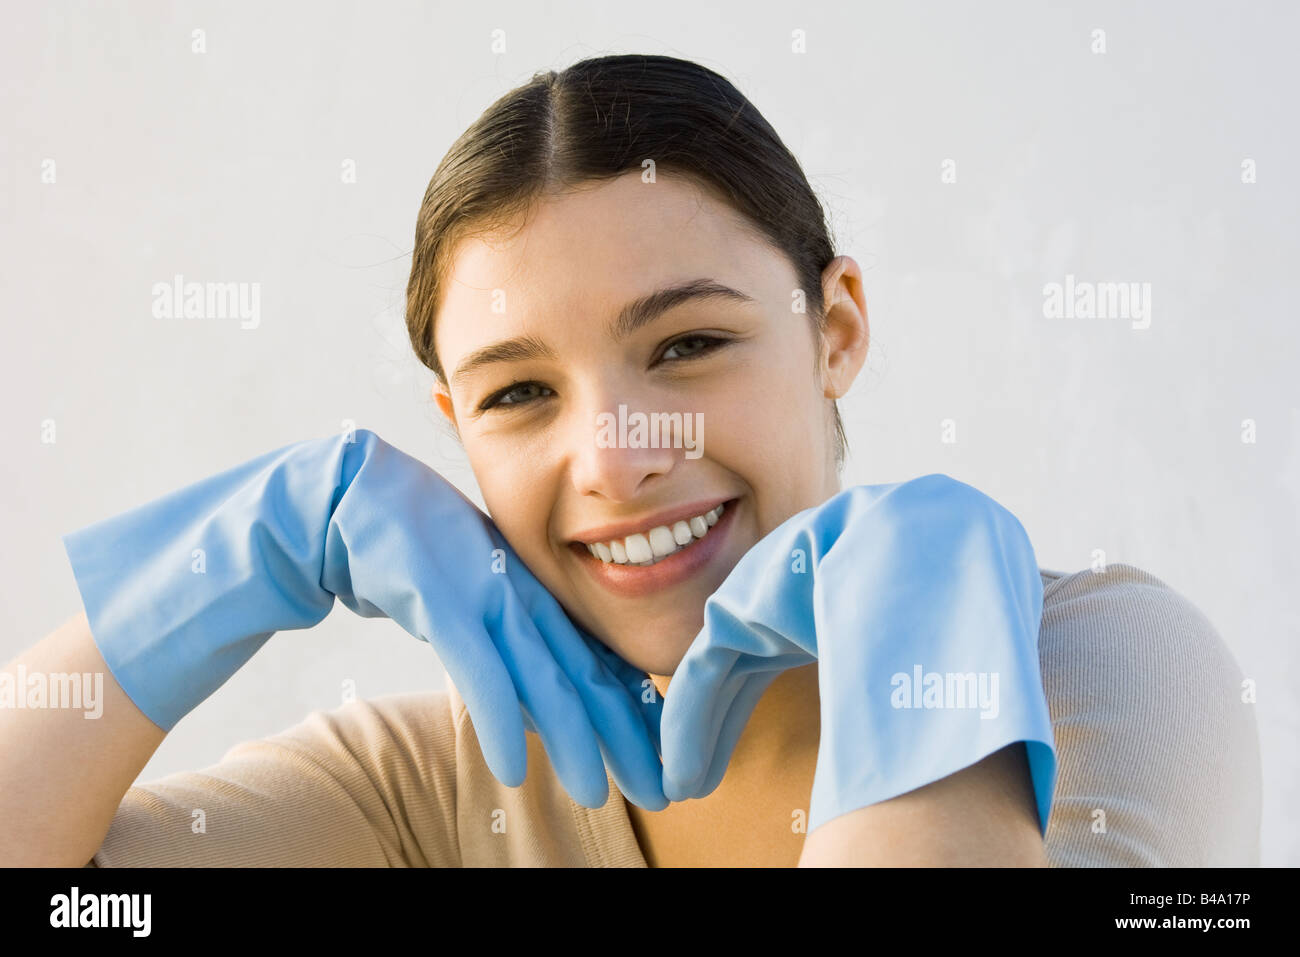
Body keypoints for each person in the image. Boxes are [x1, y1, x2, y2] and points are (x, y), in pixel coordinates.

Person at [0, 54, 1261, 868]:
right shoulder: (438, 789)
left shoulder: (1098, 676)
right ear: (451, 434)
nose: (613, 457)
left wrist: (926, 627)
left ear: (836, 327)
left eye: (689, 343)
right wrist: (225, 562)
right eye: (520, 393)